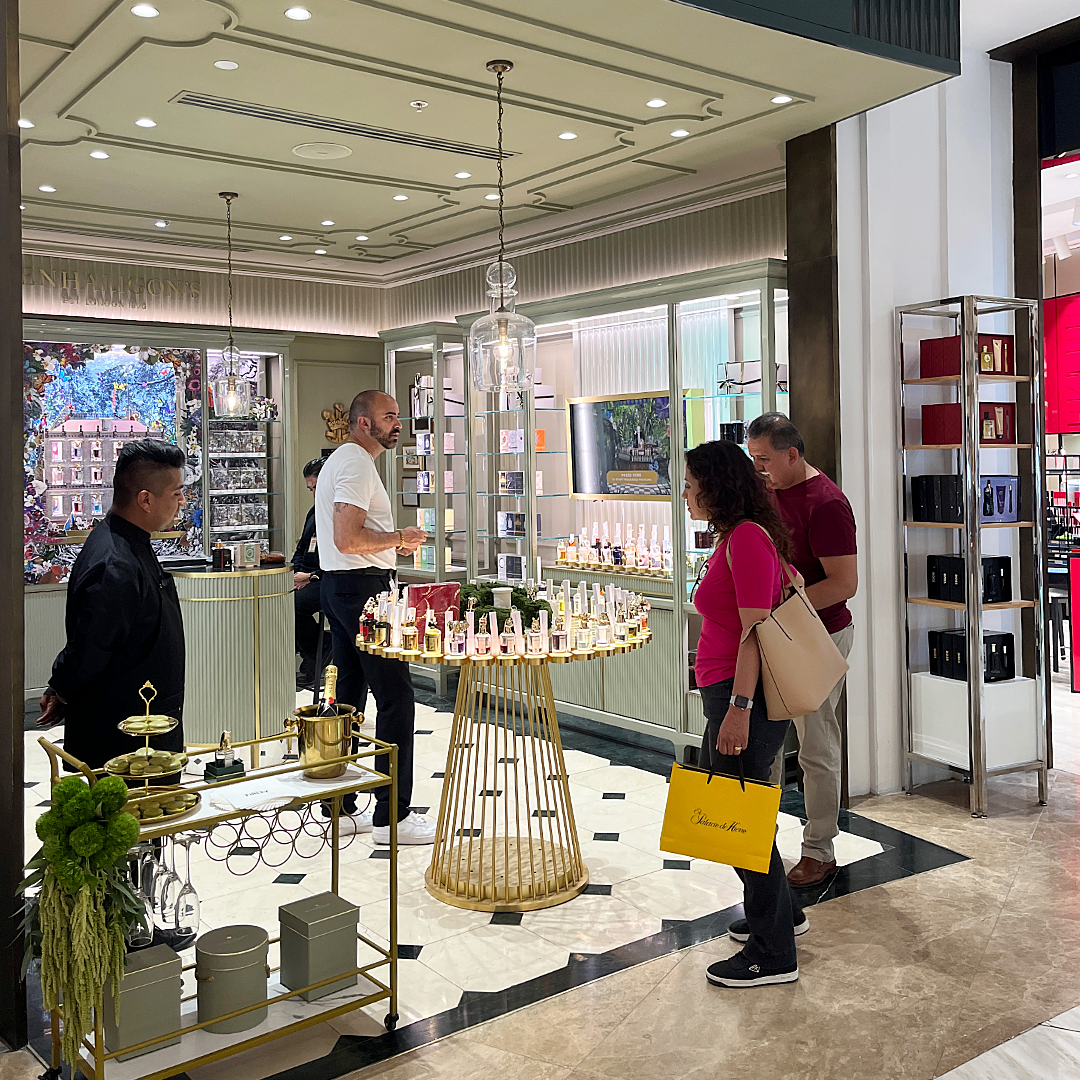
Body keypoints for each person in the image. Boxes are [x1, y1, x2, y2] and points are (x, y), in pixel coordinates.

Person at [685, 439, 804, 988]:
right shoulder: (738, 537)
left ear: (718, 486)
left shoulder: (749, 539)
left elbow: (756, 631)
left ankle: (772, 951)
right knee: (737, 813)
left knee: (738, 823)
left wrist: (737, 709)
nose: (686, 494)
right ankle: (780, 915)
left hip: (741, 696)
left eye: (692, 484)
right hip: (727, 689)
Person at [315, 389, 435, 844]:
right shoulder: (354, 463)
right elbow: (348, 539)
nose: (397, 423)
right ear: (364, 422)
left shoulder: (348, 462)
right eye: (389, 416)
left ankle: (341, 806)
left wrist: (392, 543)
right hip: (362, 589)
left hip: (344, 588)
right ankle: (392, 817)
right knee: (396, 696)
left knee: (347, 695)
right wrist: (398, 538)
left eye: (398, 416)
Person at [746, 413, 858, 889]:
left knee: (815, 746)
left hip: (818, 635)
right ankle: (758, 843)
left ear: (793, 454)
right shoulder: (766, 491)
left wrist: (787, 607)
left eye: (765, 459)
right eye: (753, 459)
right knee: (764, 746)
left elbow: (844, 583)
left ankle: (819, 849)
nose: (759, 468)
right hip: (771, 632)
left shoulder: (827, 503)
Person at [38, 440, 188, 770]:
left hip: (147, 717)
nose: (182, 501)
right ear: (145, 499)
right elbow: (91, 646)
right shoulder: (114, 563)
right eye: (176, 492)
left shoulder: (131, 542)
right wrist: (61, 686)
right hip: (123, 735)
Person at [292, 456, 330, 690]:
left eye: (317, 487)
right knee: (281, 598)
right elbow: (301, 548)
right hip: (305, 576)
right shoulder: (313, 512)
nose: (314, 493)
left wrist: (310, 576)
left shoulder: (338, 513)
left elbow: (339, 559)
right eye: (310, 488)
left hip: (325, 578)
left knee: (294, 604)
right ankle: (314, 654)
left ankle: (317, 653)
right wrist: (294, 572)